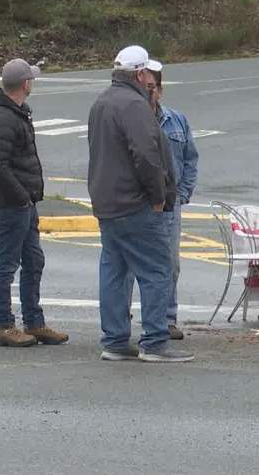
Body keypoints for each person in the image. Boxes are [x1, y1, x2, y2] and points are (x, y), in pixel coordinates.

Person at [88, 45, 192, 363]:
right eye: (147, 72)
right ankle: (155, 342)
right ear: (139, 73)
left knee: (115, 270)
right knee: (157, 270)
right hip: (136, 203)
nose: (150, 79)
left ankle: (116, 340)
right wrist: (159, 195)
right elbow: (146, 155)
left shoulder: (102, 102)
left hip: (108, 202)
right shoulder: (134, 105)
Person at [0, 58, 69, 347]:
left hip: (25, 202)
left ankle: (34, 322)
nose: (32, 82)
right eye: (31, 78)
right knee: (6, 265)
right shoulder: (3, 117)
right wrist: (21, 198)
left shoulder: (18, 112)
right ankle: (3, 326)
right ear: (25, 84)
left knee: (34, 261)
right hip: (12, 203)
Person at [147, 64, 199, 340]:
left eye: (152, 88)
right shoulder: (129, 118)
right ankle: (131, 318)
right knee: (134, 265)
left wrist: (183, 193)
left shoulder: (177, 120)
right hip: (138, 203)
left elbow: (191, 157)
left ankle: (167, 319)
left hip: (170, 204)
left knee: (169, 263)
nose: (148, 93)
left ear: (160, 90)